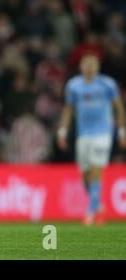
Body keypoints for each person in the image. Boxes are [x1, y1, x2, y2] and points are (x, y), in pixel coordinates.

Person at [57, 53, 126, 226]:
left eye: (92, 64)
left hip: (103, 133)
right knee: (85, 174)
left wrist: (122, 131)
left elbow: (119, 108)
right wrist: (62, 131)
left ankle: (90, 213)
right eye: (85, 64)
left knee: (96, 171)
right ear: (81, 66)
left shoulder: (107, 84)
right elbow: (68, 109)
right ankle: (99, 206)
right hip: (83, 135)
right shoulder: (73, 85)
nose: (89, 67)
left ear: (97, 67)